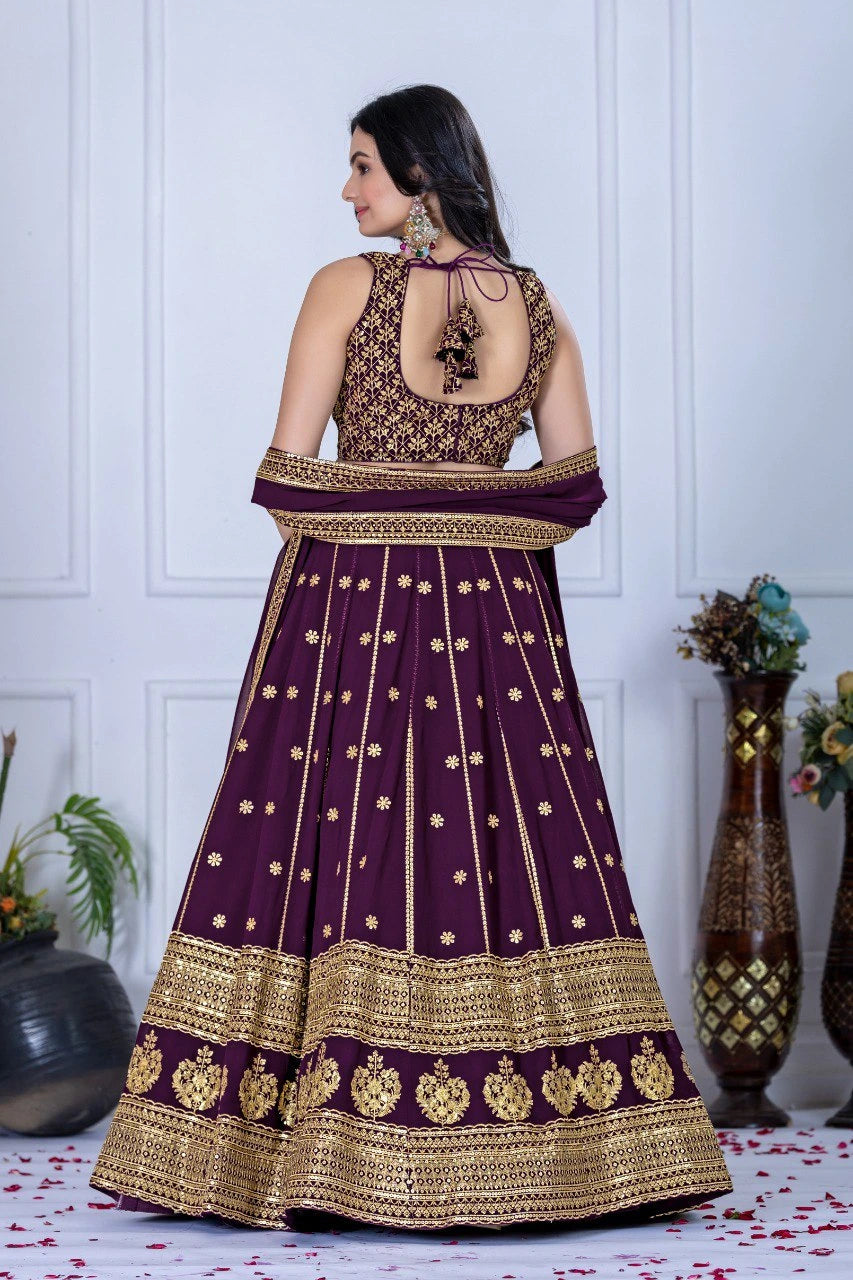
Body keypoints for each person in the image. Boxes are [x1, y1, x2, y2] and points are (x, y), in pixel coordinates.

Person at [90, 84, 732, 1231]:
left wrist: (384, 508)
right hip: (497, 622)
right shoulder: (536, 304)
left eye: (363, 166)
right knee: (504, 849)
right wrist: (471, 506)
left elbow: (290, 481)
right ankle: (551, 1153)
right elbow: (566, 491)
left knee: (349, 845)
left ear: (420, 173)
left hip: (354, 614)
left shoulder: (343, 288)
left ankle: (317, 1150)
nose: (346, 190)